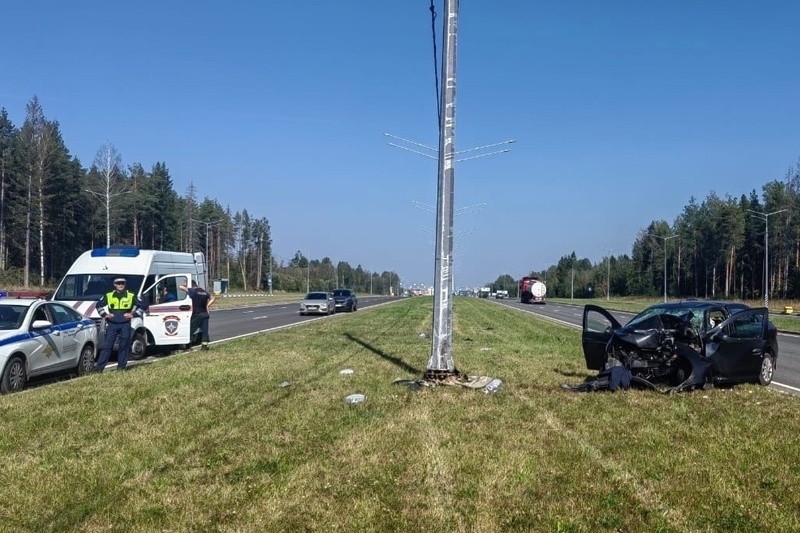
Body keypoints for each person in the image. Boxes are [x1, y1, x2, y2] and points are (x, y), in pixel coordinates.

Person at [94, 277, 146, 372]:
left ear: (125, 284)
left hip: (125, 324)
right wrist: (105, 315)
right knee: (107, 346)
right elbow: (98, 305)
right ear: (114, 285)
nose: (120, 285)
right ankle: (99, 369)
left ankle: (121, 368)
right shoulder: (109, 295)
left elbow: (143, 306)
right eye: (118, 283)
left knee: (124, 346)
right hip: (112, 324)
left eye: (122, 283)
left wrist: (133, 314)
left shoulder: (131, 295)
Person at [179, 280, 215, 350]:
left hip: (197, 314)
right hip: (205, 314)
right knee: (205, 331)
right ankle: (204, 347)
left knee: (189, 330)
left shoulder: (193, 291)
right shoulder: (204, 292)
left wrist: (186, 286)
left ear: (192, 286)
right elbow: (213, 298)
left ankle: (188, 345)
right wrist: (207, 306)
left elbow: (180, 287)